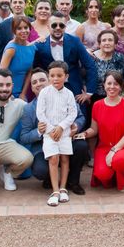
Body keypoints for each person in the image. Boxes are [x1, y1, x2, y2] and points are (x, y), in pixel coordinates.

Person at [20, 68, 88, 195]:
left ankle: (72, 182)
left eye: (42, 80)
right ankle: (50, 180)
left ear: (50, 81)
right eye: (34, 82)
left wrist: (75, 126)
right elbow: (24, 137)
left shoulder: (67, 96)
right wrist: (39, 131)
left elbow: (80, 117)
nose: (38, 84)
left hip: (65, 137)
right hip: (43, 146)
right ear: (32, 87)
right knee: (40, 170)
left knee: (81, 146)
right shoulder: (29, 109)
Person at [77, 71, 124, 191]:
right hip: (104, 147)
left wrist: (114, 150)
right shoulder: (97, 105)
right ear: (104, 85)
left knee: (119, 160)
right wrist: (85, 133)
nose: (112, 87)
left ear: (121, 86)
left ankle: (123, 179)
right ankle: (112, 174)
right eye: (109, 83)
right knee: (103, 175)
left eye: (116, 84)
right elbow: (94, 129)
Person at [33, 12, 98, 124]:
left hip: (75, 89)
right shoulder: (40, 45)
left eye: (61, 25)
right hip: (51, 88)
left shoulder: (75, 41)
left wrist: (89, 92)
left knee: (79, 119)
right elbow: (36, 69)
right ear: (48, 26)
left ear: (65, 27)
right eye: (54, 25)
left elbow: (90, 65)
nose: (58, 28)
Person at [36, 61, 78, 206]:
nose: (55, 79)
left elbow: (72, 113)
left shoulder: (69, 94)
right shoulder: (44, 92)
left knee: (65, 159)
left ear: (66, 76)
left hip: (64, 133)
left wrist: (61, 127)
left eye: (59, 75)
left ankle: (63, 188)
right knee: (54, 159)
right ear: (48, 76)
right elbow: (40, 113)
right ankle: (55, 191)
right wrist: (51, 130)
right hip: (49, 134)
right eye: (52, 75)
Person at [0, 16, 37, 101]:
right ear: (14, 31)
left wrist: (23, 94)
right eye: (19, 28)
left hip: (22, 94)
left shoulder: (32, 47)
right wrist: (8, 93)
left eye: (26, 27)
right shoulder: (11, 49)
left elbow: (29, 72)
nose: (23, 31)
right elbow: (1, 74)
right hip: (7, 92)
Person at [91, 29, 124, 101]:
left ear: (115, 44)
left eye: (110, 40)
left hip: (115, 97)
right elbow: (83, 78)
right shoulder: (91, 57)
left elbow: (123, 78)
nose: (107, 43)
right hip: (94, 97)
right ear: (99, 44)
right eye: (104, 40)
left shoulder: (120, 57)